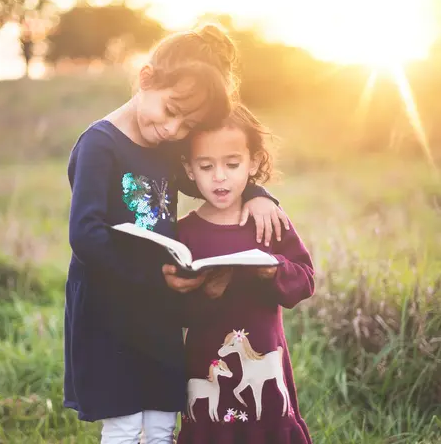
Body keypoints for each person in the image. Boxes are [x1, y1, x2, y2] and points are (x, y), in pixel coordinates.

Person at [64, 25, 289, 444]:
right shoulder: (100, 145)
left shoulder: (165, 146)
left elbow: (210, 182)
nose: (173, 130)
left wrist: (258, 193)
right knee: (126, 420)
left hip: (159, 306)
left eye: (188, 126)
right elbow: (86, 234)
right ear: (146, 79)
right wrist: (153, 278)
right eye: (170, 111)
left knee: (164, 416)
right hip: (110, 305)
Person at [177, 104, 314, 444]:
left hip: (265, 357)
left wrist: (275, 270)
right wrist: (206, 293)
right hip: (205, 360)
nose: (219, 176)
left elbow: (305, 279)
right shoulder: (184, 234)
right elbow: (172, 307)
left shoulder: (268, 221)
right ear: (189, 169)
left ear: (253, 162)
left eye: (232, 164)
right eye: (206, 166)